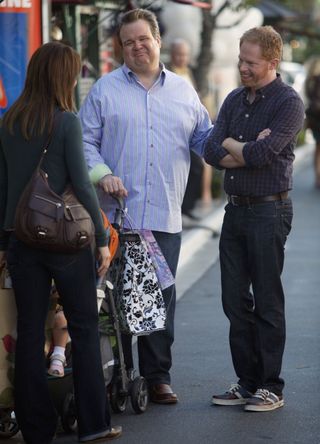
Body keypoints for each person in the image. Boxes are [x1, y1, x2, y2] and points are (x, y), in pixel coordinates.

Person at [79, 8, 212, 404]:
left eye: (143, 39)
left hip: (163, 216)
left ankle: (157, 377)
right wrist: (102, 173)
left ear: (158, 40)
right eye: (129, 41)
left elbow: (205, 140)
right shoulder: (104, 90)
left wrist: (242, 151)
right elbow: (83, 143)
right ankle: (118, 373)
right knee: (115, 300)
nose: (137, 47)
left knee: (160, 300)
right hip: (114, 219)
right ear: (121, 47)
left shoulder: (184, 92)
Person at [0, 42, 122, 443]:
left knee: (30, 332)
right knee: (85, 328)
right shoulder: (65, 121)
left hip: (20, 242)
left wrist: (4, 243)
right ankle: (94, 425)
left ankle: (36, 429)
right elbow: (84, 189)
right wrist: (102, 239)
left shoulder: (9, 121)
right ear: (63, 77)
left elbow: (2, 189)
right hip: (66, 243)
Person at [204, 26, 305, 412]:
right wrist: (242, 147)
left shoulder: (288, 103)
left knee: (266, 299)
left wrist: (242, 148)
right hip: (235, 209)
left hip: (269, 209)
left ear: (271, 62)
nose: (242, 67)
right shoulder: (233, 99)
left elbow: (263, 156)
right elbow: (212, 150)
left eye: (250, 61)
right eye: (240, 59)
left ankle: (270, 386)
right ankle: (247, 382)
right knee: (233, 301)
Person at [169, 38, 213, 220]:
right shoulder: (166, 73)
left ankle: (187, 206)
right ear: (172, 55)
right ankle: (180, 208)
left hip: (192, 127)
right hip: (174, 128)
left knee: (196, 167)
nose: (182, 58)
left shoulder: (191, 72)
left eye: (184, 54)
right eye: (178, 54)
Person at [305, 56, 320, 188]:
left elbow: (308, 99)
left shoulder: (308, 80)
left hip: (313, 118)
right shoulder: (317, 80)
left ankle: (317, 177)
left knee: (317, 148)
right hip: (317, 118)